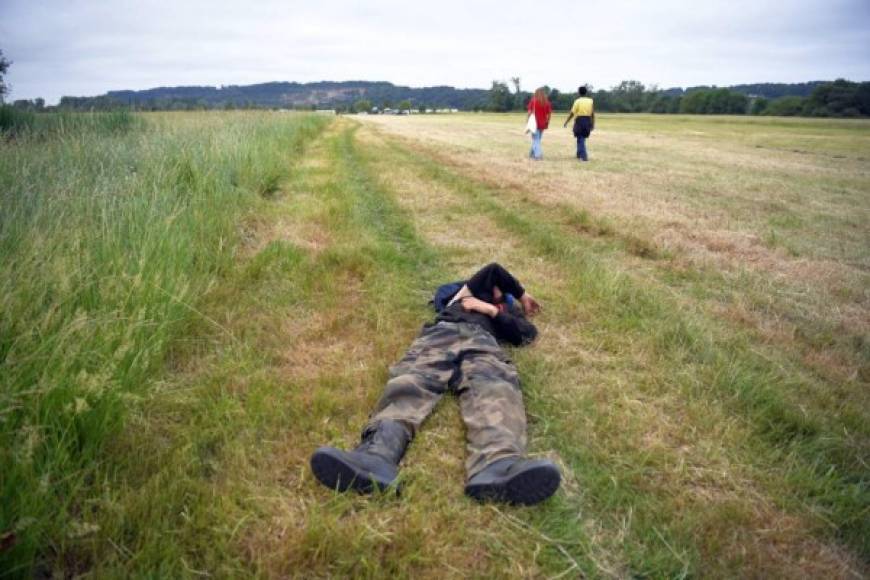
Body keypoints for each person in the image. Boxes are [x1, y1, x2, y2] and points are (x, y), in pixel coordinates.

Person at [310, 263, 561, 505]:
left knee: (494, 387)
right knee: (413, 379)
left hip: (483, 343)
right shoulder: (460, 297)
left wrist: (493, 312)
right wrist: (522, 294)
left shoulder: (502, 312)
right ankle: (376, 456)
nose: (500, 290)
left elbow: (527, 335)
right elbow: (493, 269)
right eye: (497, 287)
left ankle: (497, 464)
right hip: (441, 334)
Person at [563, 86, 595, 161]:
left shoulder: (577, 101)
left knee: (580, 138)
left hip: (579, 120)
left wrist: (566, 122)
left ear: (579, 92)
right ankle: (578, 154)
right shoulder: (590, 101)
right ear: (586, 92)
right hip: (588, 120)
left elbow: (572, 113)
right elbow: (593, 113)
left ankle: (584, 157)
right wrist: (593, 124)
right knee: (581, 137)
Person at [526, 88, 553, 160]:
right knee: (537, 139)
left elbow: (529, 112)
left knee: (536, 139)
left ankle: (537, 156)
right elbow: (549, 114)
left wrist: (527, 121)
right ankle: (531, 154)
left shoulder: (533, 101)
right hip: (543, 123)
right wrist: (548, 122)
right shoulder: (547, 102)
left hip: (534, 123)